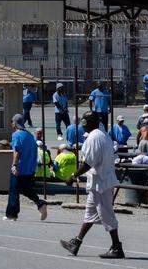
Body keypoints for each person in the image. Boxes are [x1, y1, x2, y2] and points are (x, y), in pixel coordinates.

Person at [60, 111, 125, 259]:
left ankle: (117, 247)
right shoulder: (102, 135)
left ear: (90, 122)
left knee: (107, 215)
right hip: (98, 182)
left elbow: (88, 163)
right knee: (90, 215)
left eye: (84, 122)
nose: (83, 125)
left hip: (100, 183)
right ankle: (76, 242)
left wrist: (73, 176)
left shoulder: (94, 137)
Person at [4, 114, 49, 222]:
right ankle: (40, 204)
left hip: (19, 168)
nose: (11, 123)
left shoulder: (16, 135)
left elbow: (17, 151)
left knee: (14, 191)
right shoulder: (29, 135)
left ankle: (11, 214)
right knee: (26, 189)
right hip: (29, 168)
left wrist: (14, 165)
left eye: (12, 121)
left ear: (15, 123)